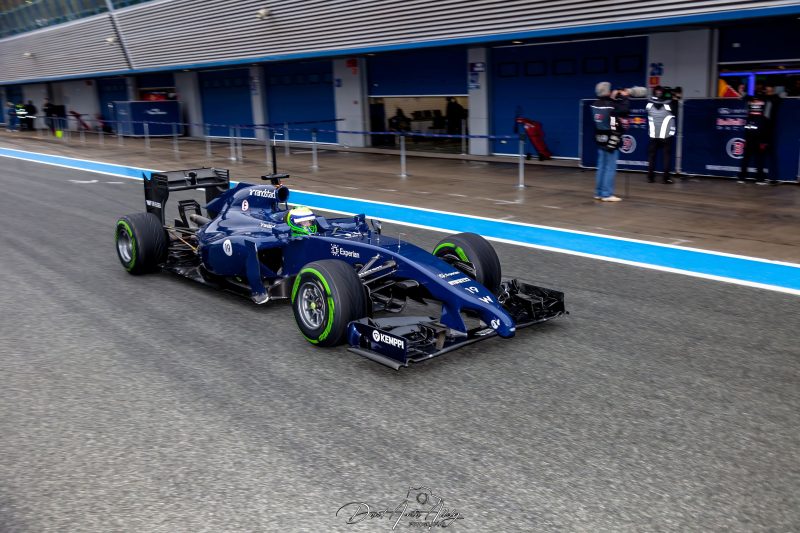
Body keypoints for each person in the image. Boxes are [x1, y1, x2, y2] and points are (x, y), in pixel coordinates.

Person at [590, 81, 631, 202]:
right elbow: (624, 110)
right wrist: (624, 97)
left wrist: (612, 99)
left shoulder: (595, 104)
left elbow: (610, 113)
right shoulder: (611, 105)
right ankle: (607, 194)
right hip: (611, 137)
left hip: (599, 137)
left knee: (601, 166)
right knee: (610, 167)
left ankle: (599, 192)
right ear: (607, 91)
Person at [738, 85, 780, 185]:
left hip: (749, 131)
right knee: (759, 156)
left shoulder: (750, 99)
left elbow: (742, 96)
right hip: (760, 133)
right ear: (764, 91)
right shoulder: (767, 100)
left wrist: (741, 91)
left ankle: (741, 177)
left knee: (747, 156)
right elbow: (767, 118)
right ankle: (759, 179)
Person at [645, 86, 676, 184]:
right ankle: (666, 179)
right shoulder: (668, 104)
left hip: (653, 135)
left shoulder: (649, 104)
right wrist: (672, 98)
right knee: (666, 157)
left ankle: (650, 178)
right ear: (663, 93)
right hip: (666, 136)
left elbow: (648, 109)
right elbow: (675, 113)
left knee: (651, 156)